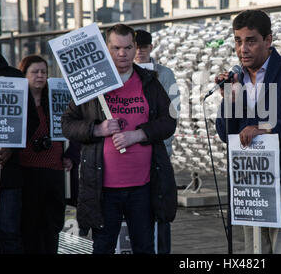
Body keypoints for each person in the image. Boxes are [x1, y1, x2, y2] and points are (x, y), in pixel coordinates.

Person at [62, 24, 177, 254]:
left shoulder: (149, 81)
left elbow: (169, 121)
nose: (122, 53)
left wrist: (139, 134)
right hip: (103, 188)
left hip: (143, 186)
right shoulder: (93, 84)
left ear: (136, 48)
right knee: (103, 247)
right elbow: (67, 124)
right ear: (106, 48)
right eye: (116, 48)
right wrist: (97, 129)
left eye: (127, 47)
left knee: (144, 247)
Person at [215, 10, 281, 254]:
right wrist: (230, 99)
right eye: (238, 41)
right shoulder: (237, 80)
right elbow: (225, 134)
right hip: (249, 188)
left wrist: (265, 129)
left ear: (268, 40)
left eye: (251, 41)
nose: (243, 49)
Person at [17, 55, 76, 254]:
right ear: (24, 75)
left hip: (54, 171)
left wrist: (71, 154)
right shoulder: (20, 102)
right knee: (30, 226)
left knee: (52, 226)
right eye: (35, 72)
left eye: (44, 72)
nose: (40, 76)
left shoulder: (56, 101)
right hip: (28, 172)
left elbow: (74, 128)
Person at [134, 29, 180, 254]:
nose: (140, 51)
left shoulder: (164, 73)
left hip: (159, 151)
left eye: (144, 47)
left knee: (161, 205)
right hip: (132, 153)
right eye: (136, 46)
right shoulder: (123, 74)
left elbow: (173, 111)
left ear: (151, 47)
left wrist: (163, 144)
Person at [0, 52, 38, 254]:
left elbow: (31, 120)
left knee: (9, 233)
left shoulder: (14, 77)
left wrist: (12, 146)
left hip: (7, 174)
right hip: (9, 176)